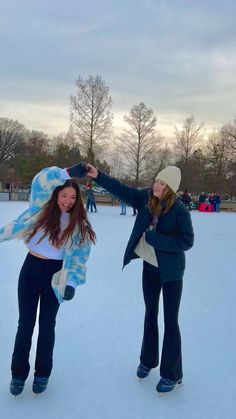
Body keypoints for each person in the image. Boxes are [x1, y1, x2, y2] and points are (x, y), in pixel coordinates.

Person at [77, 163, 194, 394]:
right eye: (156, 181)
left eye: (161, 183)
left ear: (170, 188)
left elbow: (187, 241)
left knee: (170, 321)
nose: (156, 185)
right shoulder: (146, 199)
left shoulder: (180, 210)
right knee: (150, 313)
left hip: (171, 273)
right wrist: (98, 175)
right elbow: (123, 190)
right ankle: (148, 360)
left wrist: (155, 239)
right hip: (150, 268)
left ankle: (172, 374)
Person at [0, 163, 96, 396]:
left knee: (47, 325)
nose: (68, 200)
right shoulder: (41, 208)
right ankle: (18, 375)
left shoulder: (79, 226)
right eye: (64, 195)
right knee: (25, 324)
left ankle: (42, 373)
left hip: (55, 275)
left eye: (73, 197)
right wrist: (66, 173)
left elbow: (80, 258)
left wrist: (72, 283)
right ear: (56, 194)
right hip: (31, 269)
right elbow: (40, 181)